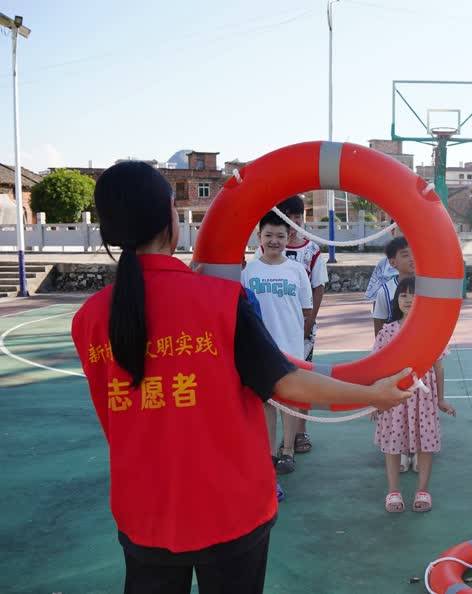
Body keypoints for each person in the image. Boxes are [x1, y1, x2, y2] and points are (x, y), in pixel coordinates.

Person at [71, 161, 410, 594]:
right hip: (230, 508)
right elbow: (286, 383)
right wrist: (373, 395)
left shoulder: (89, 319)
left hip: (143, 510)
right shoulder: (221, 301)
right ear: (171, 218)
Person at [373, 278, 455, 513]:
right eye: (403, 295)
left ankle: (423, 490)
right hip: (394, 394)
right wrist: (375, 397)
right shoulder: (388, 331)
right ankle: (393, 492)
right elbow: (378, 367)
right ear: (396, 300)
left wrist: (440, 399)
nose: (408, 299)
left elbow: (438, 366)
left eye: (414, 294)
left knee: (425, 443)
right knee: (392, 443)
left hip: (423, 397)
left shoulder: (431, 330)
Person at [242, 212, 312, 479]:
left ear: (289, 238)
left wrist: (299, 340)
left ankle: (288, 451)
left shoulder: (296, 270)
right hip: (261, 348)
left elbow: (306, 310)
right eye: (268, 235)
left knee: (290, 401)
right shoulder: (249, 271)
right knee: (268, 403)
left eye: (280, 236)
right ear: (259, 237)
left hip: (291, 346)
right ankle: (270, 452)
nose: (274, 241)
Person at [272, 195, 329, 454]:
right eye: (289, 216)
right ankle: (280, 439)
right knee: (275, 381)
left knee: (302, 379)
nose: (294, 222)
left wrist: (308, 322)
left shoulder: (311, 251)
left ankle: (300, 433)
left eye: (298, 217)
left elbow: (318, 288)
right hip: (275, 326)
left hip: (303, 327)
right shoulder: (270, 246)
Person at [372, 236, 414, 336]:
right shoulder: (385, 291)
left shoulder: (429, 286)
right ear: (393, 262)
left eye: (415, 253)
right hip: (397, 346)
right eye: (405, 255)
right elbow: (379, 325)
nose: (412, 258)